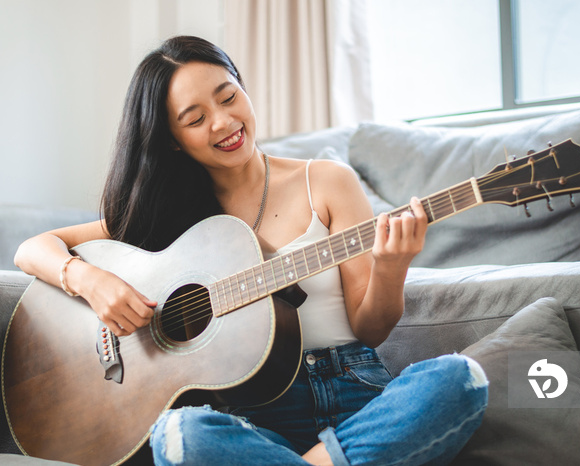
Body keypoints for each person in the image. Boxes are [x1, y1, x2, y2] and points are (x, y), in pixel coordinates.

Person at [14, 36, 488, 465]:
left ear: (243, 88)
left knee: (460, 379)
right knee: (182, 433)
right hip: (252, 415)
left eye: (228, 97)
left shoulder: (324, 181)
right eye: (195, 119)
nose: (224, 122)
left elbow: (371, 328)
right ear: (171, 140)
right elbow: (34, 249)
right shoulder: (167, 215)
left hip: (355, 390)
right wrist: (90, 280)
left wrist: (391, 266)